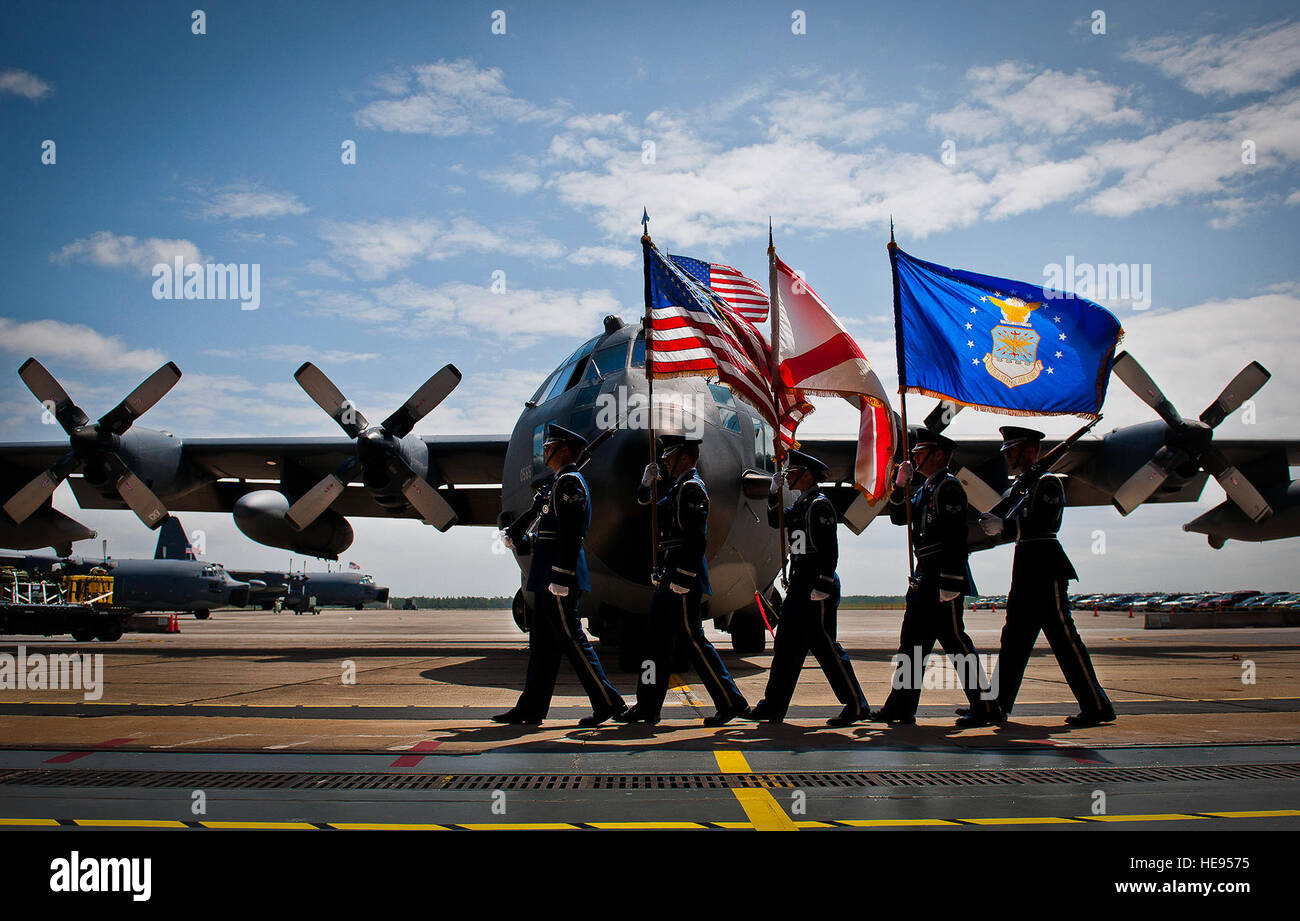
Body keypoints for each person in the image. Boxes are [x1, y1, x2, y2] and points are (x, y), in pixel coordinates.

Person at [973, 426, 1115, 726]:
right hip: (1025, 568)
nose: (1008, 456)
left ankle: (1096, 704)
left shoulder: (1047, 483)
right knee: (1013, 641)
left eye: (1012, 449)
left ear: (1030, 450)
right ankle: (996, 705)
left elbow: (1043, 522)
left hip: (1046, 569)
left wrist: (1007, 528)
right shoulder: (1025, 485)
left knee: (1064, 641)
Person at [492, 424, 626, 727]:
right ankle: (531, 708)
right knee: (542, 648)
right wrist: (521, 541)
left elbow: (571, 534)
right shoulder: (556, 484)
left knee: (573, 640)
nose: (544, 451)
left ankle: (608, 702)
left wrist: (562, 576)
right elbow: (546, 534)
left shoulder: (569, 484)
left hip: (558, 576)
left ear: (564, 450)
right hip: (545, 575)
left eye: (549, 446)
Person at [615, 433, 750, 726]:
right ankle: (647, 706)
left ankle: (731, 701)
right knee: (655, 644)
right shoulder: (678, 488)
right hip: (671, 575)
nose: (664, 459)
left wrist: (684, 576)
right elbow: (652, 511)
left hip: (683, 578)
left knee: (693, 641)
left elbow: (695, 538)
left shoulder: (692, 489)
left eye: (670, 454)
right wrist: (644, 485)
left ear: (686, 457)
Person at [872, 429, 1002, 727]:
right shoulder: (926, 489)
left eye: (921, 452)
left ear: (939, 455)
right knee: (911, 645)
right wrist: (898, 486)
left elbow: (956, 537)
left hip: (942, 573)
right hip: (924, 573)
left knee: (956, 643)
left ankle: (986, 706)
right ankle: (901, 706)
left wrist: (951, 580)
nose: (915, 457)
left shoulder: (948, 487)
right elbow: (899, 517)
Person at [749, 450, 870, 727]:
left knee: (825, 648)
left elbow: (829, 548)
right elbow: (775, 520)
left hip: (816, 583)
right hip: (800, 582)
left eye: (793, 472)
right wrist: (772, 494)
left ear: (807, 475)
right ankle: (773, 705)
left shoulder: (819, 505)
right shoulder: (802, 505)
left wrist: (824, 583)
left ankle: (856, 704)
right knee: (785, 646)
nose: (788, 476)